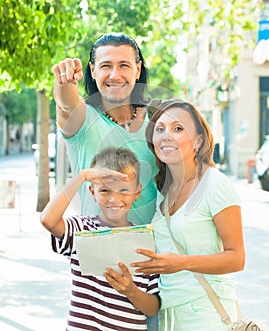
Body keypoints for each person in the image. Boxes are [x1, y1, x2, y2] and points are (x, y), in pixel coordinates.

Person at [131, 99, 246, 330]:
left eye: (178, 129)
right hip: (168, 314)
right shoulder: (164, 189)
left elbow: (237, 258)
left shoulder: (214, 183)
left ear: (198, 140)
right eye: (160, 129)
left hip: (207, 313)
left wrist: (182, 263)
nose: (166, 136)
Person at [40, 147, 160, 331]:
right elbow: (48, 219)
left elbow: (153, 308)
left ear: (137, 193)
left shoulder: (146, 242)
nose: (114, 199)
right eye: (105, 190)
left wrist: (130, 291)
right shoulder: (81, 230)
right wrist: (81, 176)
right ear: (92, 192)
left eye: (123, 190)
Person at [52, 32, 158, 225]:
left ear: (137, 69)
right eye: (106, 66)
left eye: (124, 65)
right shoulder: (83, 120)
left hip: (152, 250)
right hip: (97, 249)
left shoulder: (158, 121)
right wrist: (63, 81)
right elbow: (66, 105)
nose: (115, 75)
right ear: (93, 71)